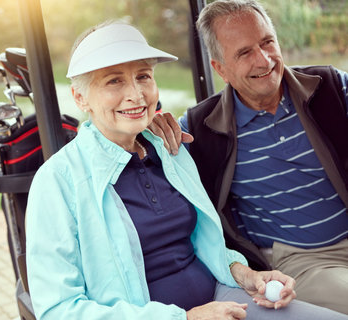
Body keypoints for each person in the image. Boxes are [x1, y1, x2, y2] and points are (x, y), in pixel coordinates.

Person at [25, 21, 347, 320]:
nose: (136, 94)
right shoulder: (57, 181)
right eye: (114, 81)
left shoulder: (171, 150)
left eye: (143, 76)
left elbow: (204, 245)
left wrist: (247, 275)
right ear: (80, 97)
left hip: (223, 300)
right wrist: (186, 318)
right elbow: (58, 309)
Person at [149, 0, 348, 315]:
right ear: (220, 69)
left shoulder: (331, 87)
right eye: (244, 53)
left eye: (267, 42)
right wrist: (151, 127)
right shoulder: (201, 128)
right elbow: (142, 158)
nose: (264, 59)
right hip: (304, 261)